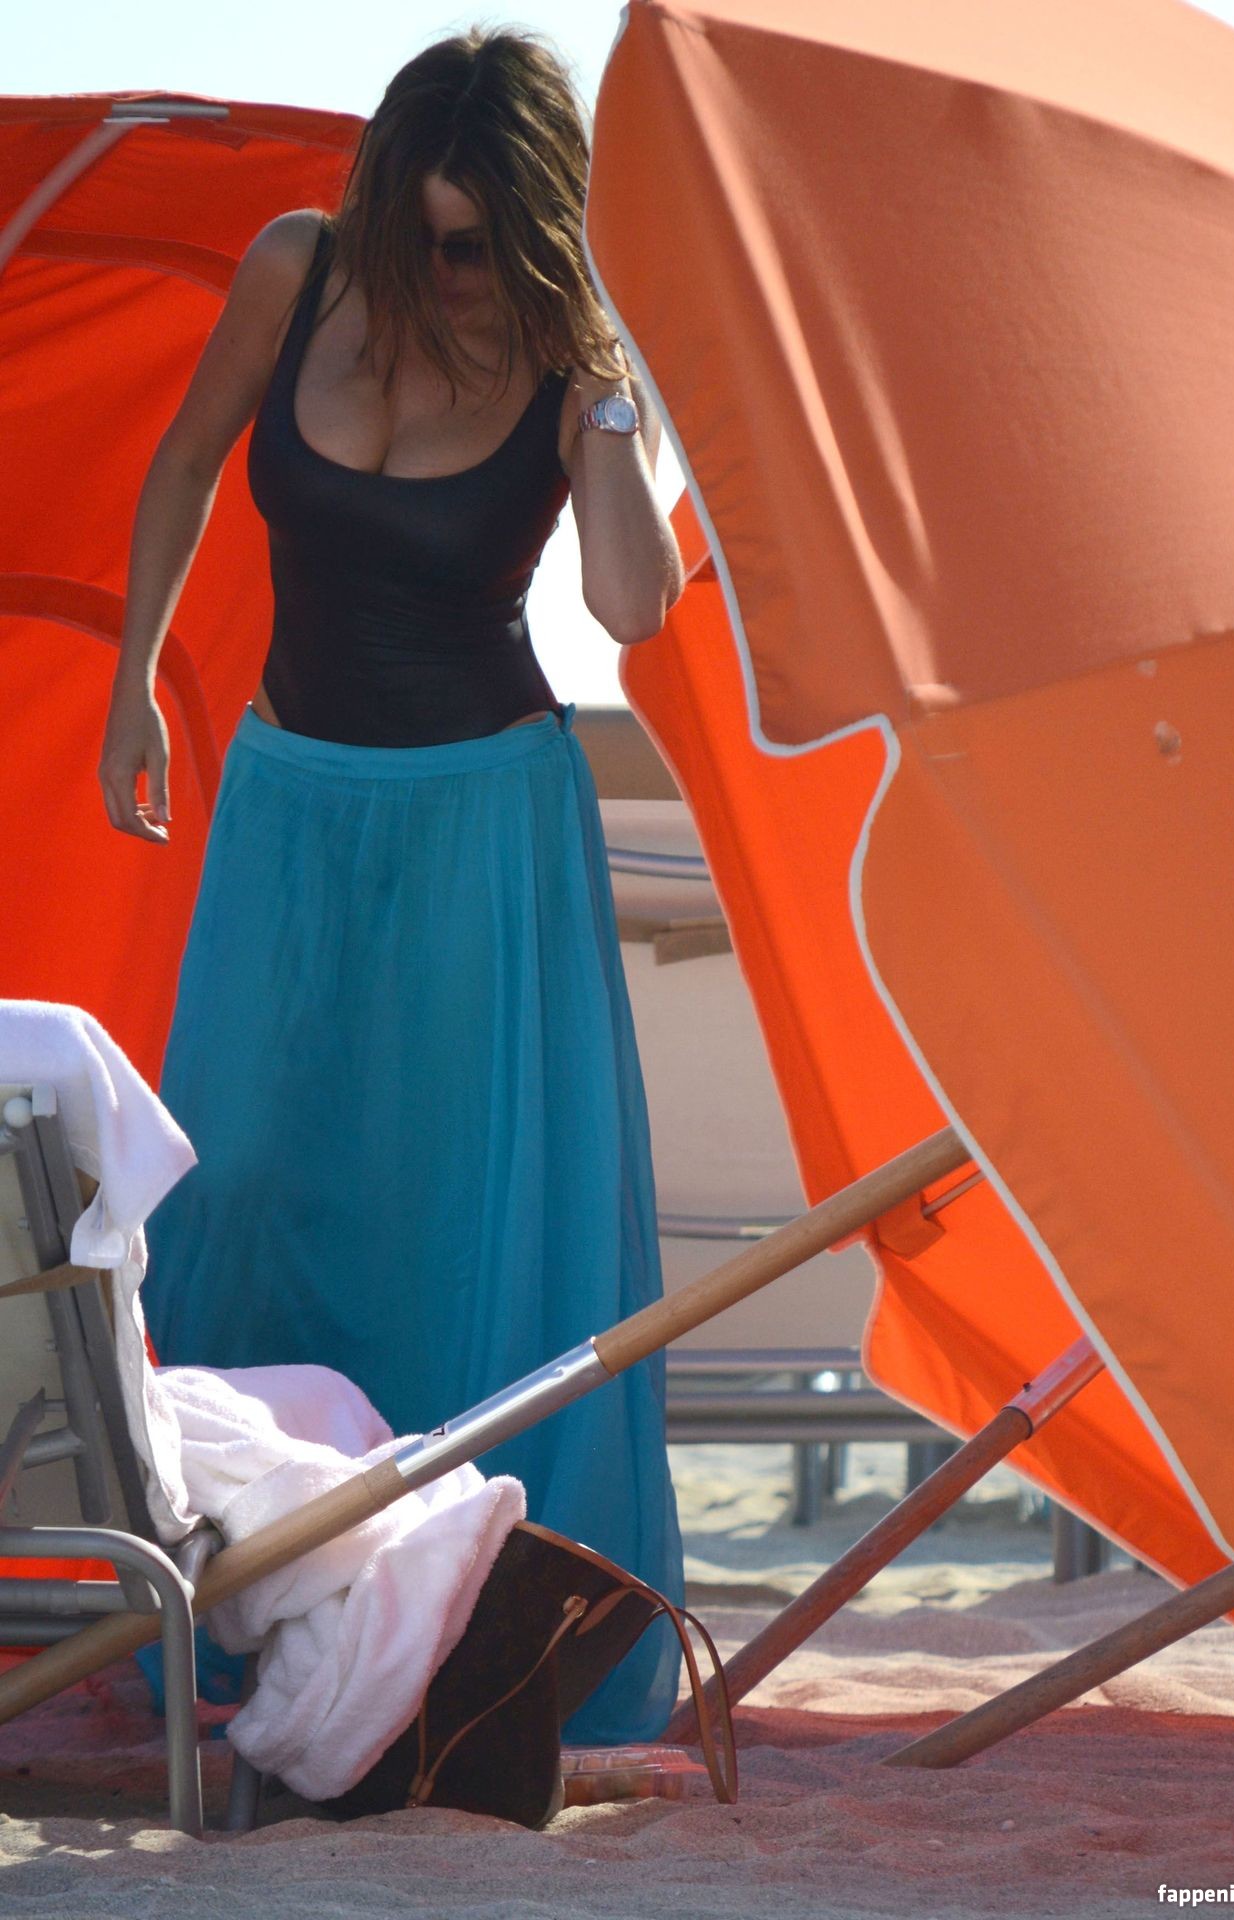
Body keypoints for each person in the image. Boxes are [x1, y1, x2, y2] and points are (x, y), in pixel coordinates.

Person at [98, 28, 686, 1747]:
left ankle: (494, 1641)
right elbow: (186, 462)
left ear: (533, 226)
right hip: (287, 803)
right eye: (413, 234)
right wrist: (134, 681)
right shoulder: (299, 268)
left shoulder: (570, 352)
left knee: (469, 1223)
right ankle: (247, 1614)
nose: (440, 272)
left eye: (473, 244)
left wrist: (607, 392)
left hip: (479, 830)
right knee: (240, 1186)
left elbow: (634, 605)